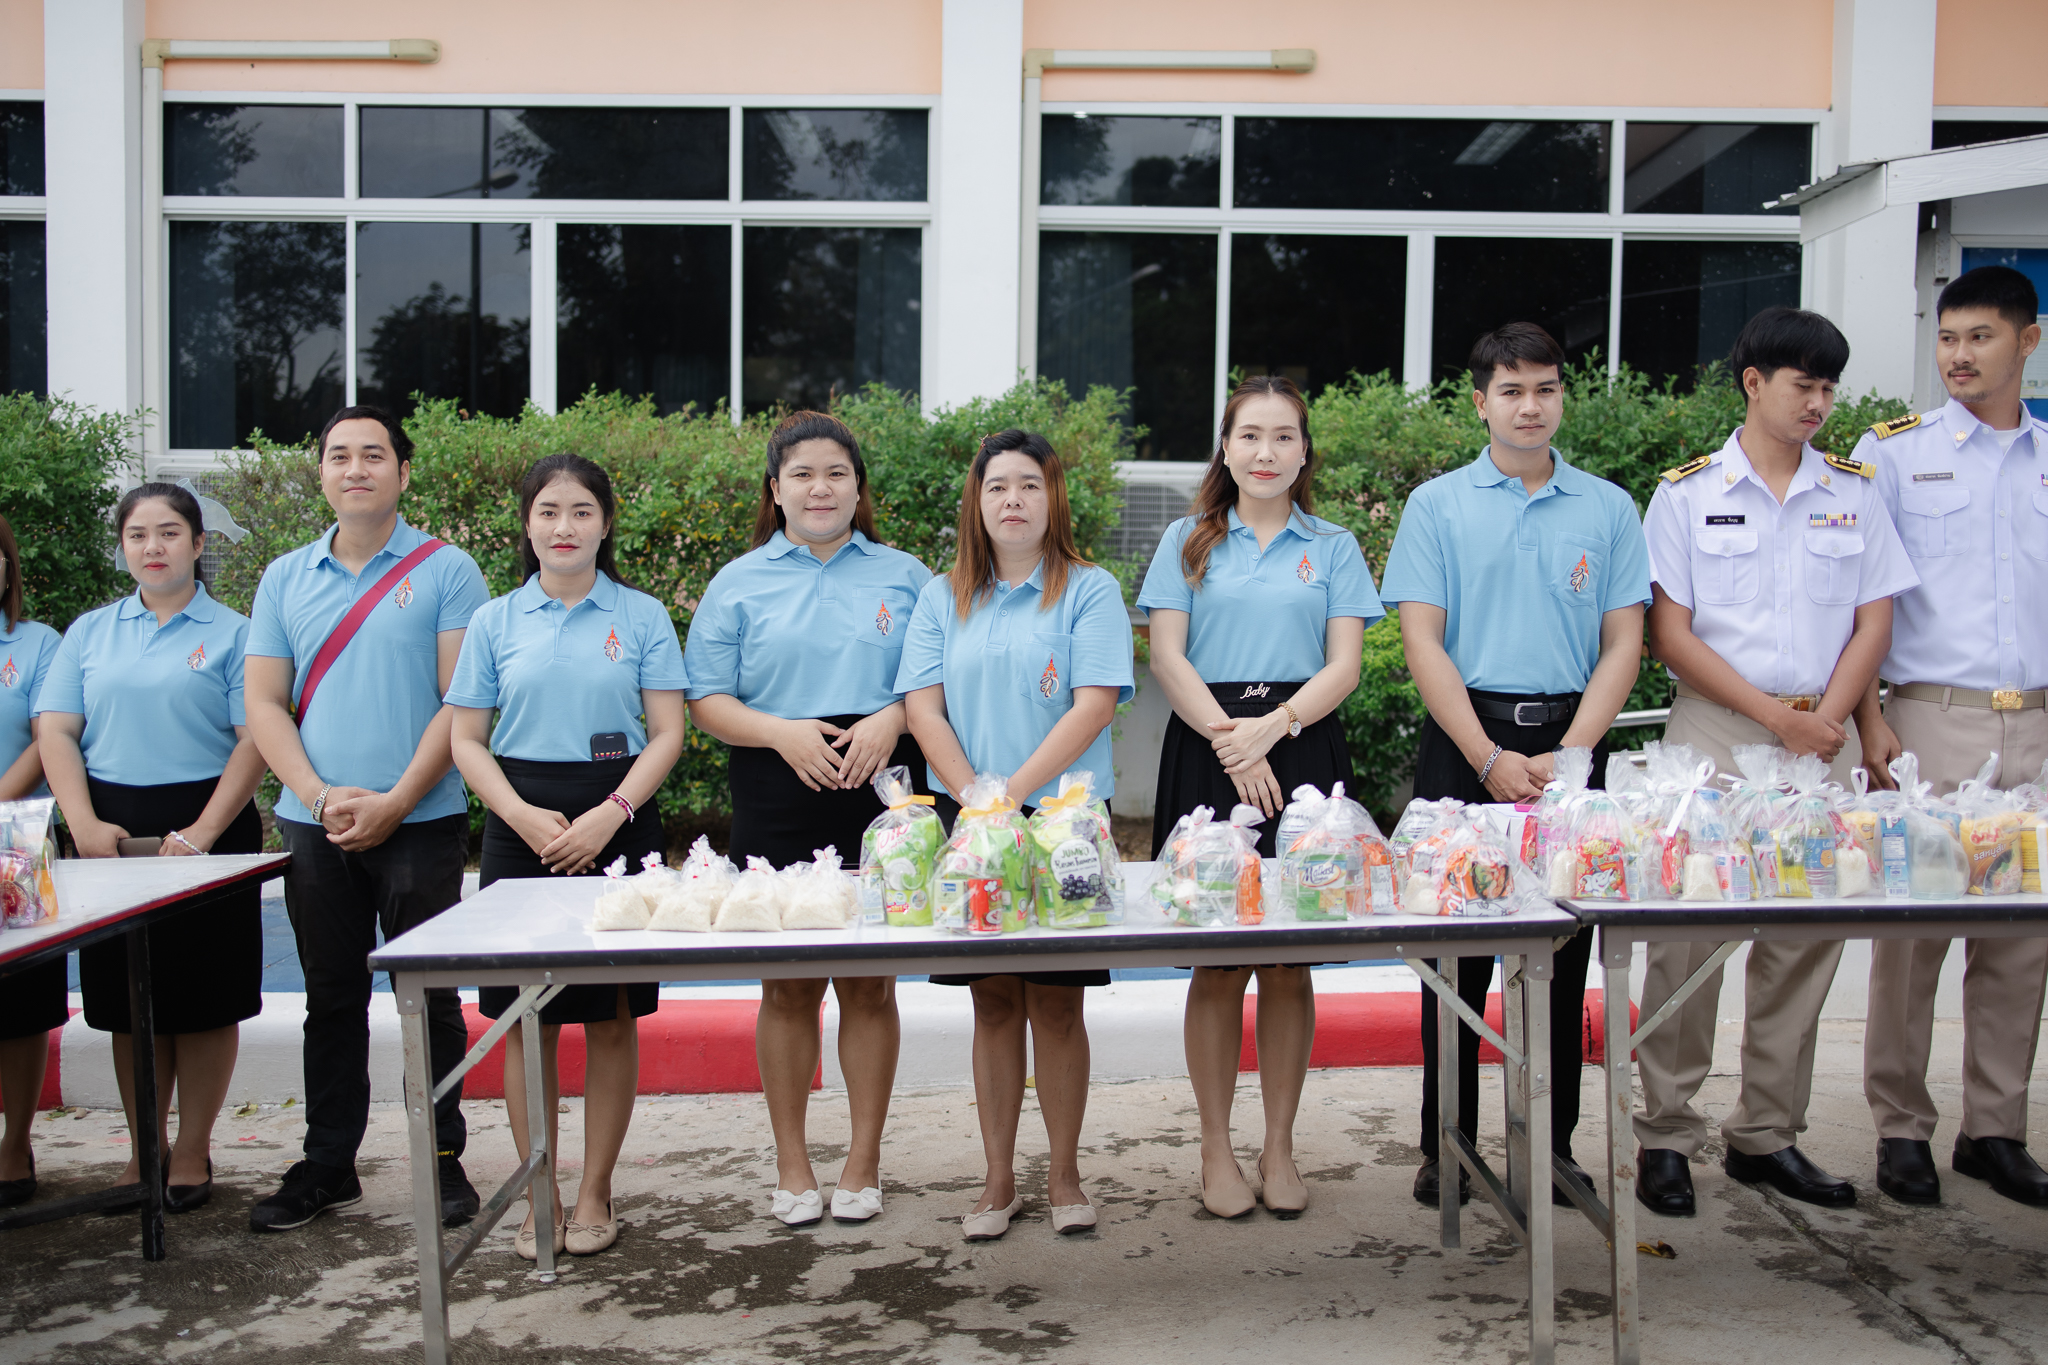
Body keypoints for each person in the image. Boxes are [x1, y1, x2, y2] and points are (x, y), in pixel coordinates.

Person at [1637, 307, 1917, 1214]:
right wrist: (1773, 719)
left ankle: (1766, 1133)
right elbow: (1671, 634)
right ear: (1753, 383)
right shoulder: (1686, 494)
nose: (1818, 403)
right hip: (1716, 737)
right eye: (1804, 384)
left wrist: (1829, 721)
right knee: (1689, 936)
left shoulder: (1854, 492)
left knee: (1804, 934)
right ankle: (1665, 1135)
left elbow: (1873, 621)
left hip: (1821, 738)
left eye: (1829, 387)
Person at [1380, 322, 1650, 1208]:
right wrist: (1487, 755)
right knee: (1453, 960)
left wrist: (1572, 759)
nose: (1530, 406)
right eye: (1511, 390)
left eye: (1545, 388)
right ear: (1480, 402)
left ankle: (1552, 1145)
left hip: (1572, 743)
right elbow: (1423, 641)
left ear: (1563, 394)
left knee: (1562, 959)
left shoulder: (1608, 508)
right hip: (1466, 744)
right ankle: (1446, 1144)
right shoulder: (1437, 506)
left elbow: (1623, 642)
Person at [1138, 376, 1383, 1219]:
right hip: (1208, 744)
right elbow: (1167, 655)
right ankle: (1215, 1146)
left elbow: (1344, 665)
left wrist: (1271, 729)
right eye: (1250, 435)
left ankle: (1279, 1145)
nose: (1266, 452)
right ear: (1226, 446)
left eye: (1283, 437)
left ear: (1304, 451)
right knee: (1219, 955)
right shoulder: (1187, 540)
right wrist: (1229, 740)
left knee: (1288, 957)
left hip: (1301, 746)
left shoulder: (1334, 546)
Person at [244, 405, 491, 1233]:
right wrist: (318, 797)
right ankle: (328, 1164)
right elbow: (265, 703)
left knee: (432, 996)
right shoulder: (284, 577)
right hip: (313, 823)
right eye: (339, 455)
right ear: (321, 472)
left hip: (420, 819)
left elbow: (461, 700)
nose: (356, 468)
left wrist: (395, 801)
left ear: (403, 472)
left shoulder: (448, 569)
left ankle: (443, 1156)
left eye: (374, 455)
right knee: (331, 996)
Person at [685, 411, 931, 1229]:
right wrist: (779, 732)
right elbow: (706, 699)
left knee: (870, 983)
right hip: (777, 780)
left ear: (859, 488)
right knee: (788, 985)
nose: (819, 488)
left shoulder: (907, 576)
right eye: (801, 474)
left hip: (882, 787)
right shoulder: (737, 582)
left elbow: (938, 677)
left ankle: (863, 1161)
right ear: (775, 489)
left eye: (836, 473)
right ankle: (792, 1165)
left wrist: (893, 715)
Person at [898, 429, 1134, 1240]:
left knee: (1060, 1003)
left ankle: (1064, 1174)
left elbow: (1093, 704)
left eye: (1029, 484)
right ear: (977, 500)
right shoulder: (943, 596)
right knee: (994, 1001)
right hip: (972, 826)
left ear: (1052, 496)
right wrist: (976, 798)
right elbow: (922, 708)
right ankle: (998, 1178)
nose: (1013, 500)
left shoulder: (1089, 590)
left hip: (1064, 825)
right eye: (997, 485)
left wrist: (1014, 795)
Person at [449, 454, 687, 1258]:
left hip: (617, 818)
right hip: (522, 822)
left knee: (612, 1014)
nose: (564, 526)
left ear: (605, 522)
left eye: (582, 511)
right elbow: (467, 739)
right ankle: (539, 1192)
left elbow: (667, 733)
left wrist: (611, 814)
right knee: (527, 1018)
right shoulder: (494, 620)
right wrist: (518, 814)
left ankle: (595, 1190)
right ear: (527, 524)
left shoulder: (642, 615)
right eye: (548, 511)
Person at [1851, 264, 2048, 1208]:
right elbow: (1858, 599)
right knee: (1912, 931)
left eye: (1981, 337)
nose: (1959, 356)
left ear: (2028, 341)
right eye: (1948, 337)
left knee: (2021, 935)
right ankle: (1901, 1127)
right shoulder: (1894, 454)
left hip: (2036, 724)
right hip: (1928, 719)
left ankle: (1995, 1129)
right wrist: (1869, 717)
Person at [35, 483, 268, 1213]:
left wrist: (201, 832)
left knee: (206, 996)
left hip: (207, 826)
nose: (153, 547)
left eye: (169, 532)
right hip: (110, 832)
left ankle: (192, 1148)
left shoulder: (236, 633)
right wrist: (81, 823)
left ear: (198, 544)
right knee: (125, 999)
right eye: (138, 534)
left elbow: (254, 738)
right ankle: (144, 1149)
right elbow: (56, 730)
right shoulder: (89, 633)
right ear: (123, 547)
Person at [0, 512, 65, 1209]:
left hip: (12, 841)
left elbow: (47, 737)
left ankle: (15, 1145)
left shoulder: (39, 644)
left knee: (18, 1003)